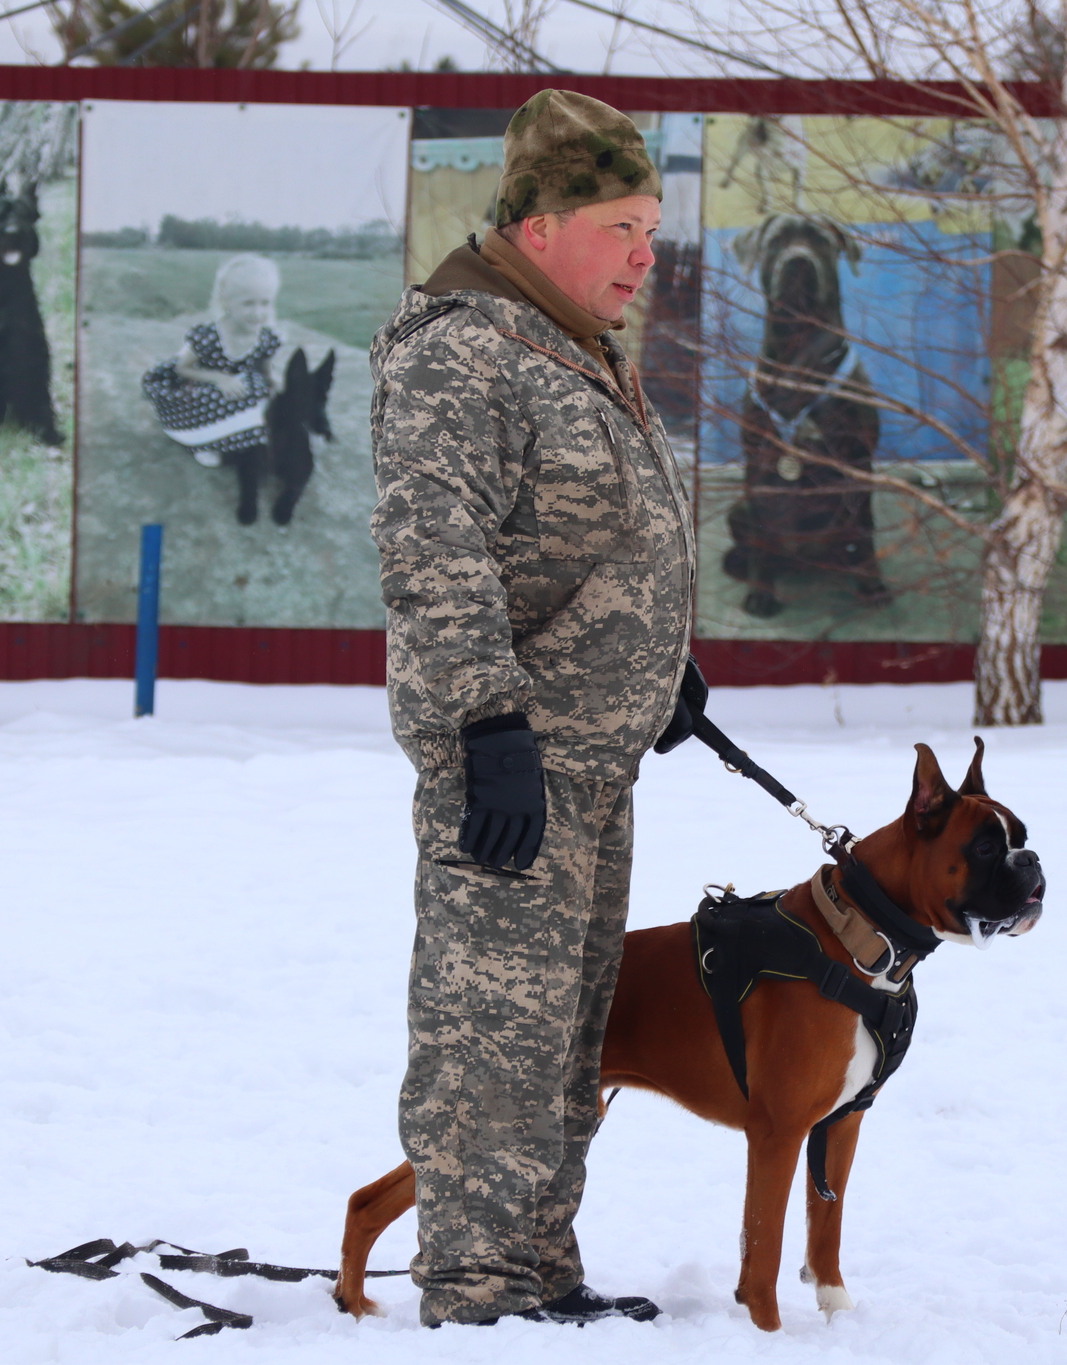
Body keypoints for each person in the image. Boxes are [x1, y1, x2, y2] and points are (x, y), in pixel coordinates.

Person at [366, 89, 695, 1329]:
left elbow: (580, 537)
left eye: (650, 227)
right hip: (512, 764)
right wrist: (484, 731)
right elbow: (433, 551)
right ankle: (475, 1285)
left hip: (589, 766)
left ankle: (538, 1267)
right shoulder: (461, 348)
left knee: (564, 1036)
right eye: (623, 225)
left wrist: (661, 662)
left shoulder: (567, 339)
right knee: (487, 1037)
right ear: (544, 221)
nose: (644, 254)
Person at [141, 253, 281, 469]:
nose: (258, 312)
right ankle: (203, 441)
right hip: (202, 387)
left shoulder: (265, 338)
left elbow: (265, 371)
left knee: (261, 391)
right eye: (248, 304)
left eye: (265, 303)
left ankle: (239, 433)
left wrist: (275, 383)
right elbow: (182, 368)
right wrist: (219, 378)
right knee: (211, 397)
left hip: (237, 387)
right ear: (227, 302)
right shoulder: (209, 337)